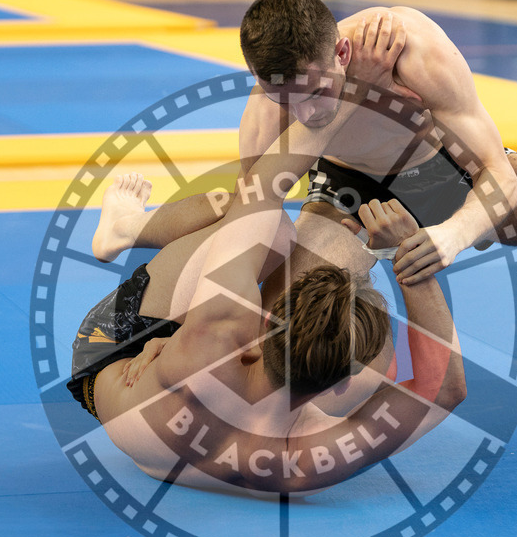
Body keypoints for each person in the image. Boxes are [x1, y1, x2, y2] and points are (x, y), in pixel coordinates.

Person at [98, 0, 517, 461]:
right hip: (352, 193)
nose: (305, 110)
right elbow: (248, 218)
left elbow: (500, 178)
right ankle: (134, 229)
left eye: (316, 89)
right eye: (285, 96)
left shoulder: (411, 46)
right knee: (281, 288)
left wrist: (449, 236)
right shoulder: (270, 109)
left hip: (450, 173)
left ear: (341, 51)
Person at [67, 103, 467, 494]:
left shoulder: (219, 332)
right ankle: (125, 230)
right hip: (182, 400)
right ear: (340, 387)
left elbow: (258, 196)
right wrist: (410, 261)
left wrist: (339, 105)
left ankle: (126, 228)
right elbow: (446, 388)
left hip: (112, 356)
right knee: (380, 362)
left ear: (269, 322)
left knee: (272, 228)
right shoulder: (314, 456)